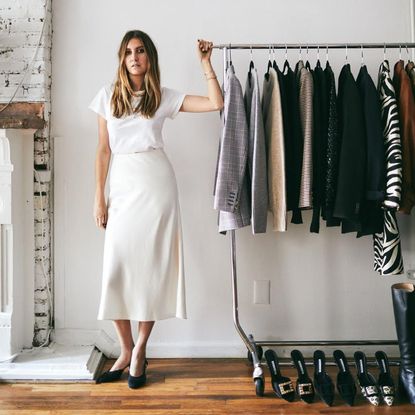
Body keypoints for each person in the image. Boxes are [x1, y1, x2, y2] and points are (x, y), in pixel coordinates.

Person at [88, 30, 223, 388]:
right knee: (116, 270)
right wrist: (98, 197)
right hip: (122, 187)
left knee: (149, 272)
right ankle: (125, 348)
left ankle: (141, 350)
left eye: (141, 51)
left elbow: (215, 103)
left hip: (157, 187)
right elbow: (103, 150)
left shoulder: (162, 97)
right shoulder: (107, 97)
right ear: (122, 58)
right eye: (128, 52)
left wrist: (206, 64)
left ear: (149, 58)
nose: (134, 57)